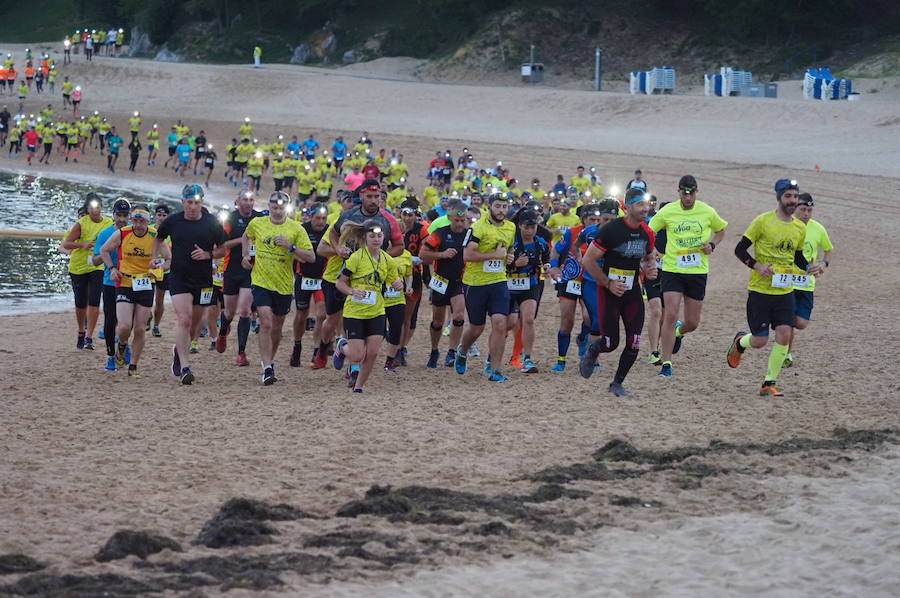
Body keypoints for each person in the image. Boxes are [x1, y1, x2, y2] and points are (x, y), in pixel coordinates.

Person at [727, 179, 824, 397]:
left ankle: (769, 383)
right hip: (760, 292)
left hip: (785, 292)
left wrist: (810, 267)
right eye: (788, 196)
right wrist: (757, 265)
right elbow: (739, 249)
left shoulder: (799, 227)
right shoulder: (762, 222)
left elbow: (797, 256)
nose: (792, 201)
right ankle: (740, 342)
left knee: (784, 333)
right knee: (760, 341)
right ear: (779, 197)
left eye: (795, 196)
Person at [578, 188, 659, 397]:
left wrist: (650, 268)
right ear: (628, 207)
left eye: (647, 204)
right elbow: (588, 260)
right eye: (640, 205)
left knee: (634, 342)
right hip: (609, 293)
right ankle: (593, 350)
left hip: (632, 292)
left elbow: (650, 256)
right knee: (610, 343)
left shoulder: (647, 232)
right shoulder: (611, 230)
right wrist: (607, 283)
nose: (645, 209)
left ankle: (617, 383)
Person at [648, 175, 727, 377]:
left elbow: (720, 231)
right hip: (673, 269)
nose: (688, 197)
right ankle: (667, 363)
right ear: (679, 192)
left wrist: (712, 245)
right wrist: (652, 250)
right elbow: (649, 230)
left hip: (697, 271)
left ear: (696, 192)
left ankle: (678, 332)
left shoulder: (707, 211)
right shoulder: (668, 211)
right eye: (685, 193)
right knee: (671, 314)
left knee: (692, 322)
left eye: (691, 193)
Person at [153, 184, 227, 384]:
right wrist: (154, 258)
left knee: (194, 327)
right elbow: (157, 239)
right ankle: (185, 368)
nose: (193, 207)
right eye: (189, 202)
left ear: (201, 202)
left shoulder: (211, 223)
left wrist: (208, 254)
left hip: (203, 280)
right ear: (182, 202)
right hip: (179, 277)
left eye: (196, 203)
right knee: (184, 319)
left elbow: (223, 249)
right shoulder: (172, 221)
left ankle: (178, 350)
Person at [242, 191, 315, 384]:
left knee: (277, 326)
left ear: (287, 208)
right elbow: (246, 236)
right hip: (261, 280)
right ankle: (266, 367)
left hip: (283, 285)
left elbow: (311, 256)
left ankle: (270, 361)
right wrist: (246, 255)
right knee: (265, 322)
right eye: (274, 207)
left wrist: (291, 247)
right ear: (269, 207)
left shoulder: (296, 229)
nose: (277, 211)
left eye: (281, 208)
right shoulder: (257, 223)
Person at [332, 221, 403, 392]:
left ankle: (359, 386)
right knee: (357, 355)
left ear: (384, 237)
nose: (376, 239)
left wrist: (399, 284)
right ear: (365, 237)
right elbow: (340, 283)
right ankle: (342, 347)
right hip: (355, 312)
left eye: (379, 236)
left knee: (372, 353)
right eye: (372, 236)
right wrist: (351, 291)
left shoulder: (388, 260)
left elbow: (393, 280)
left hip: (377, 311)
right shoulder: (356, 258)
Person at [454, 193, 517, 382]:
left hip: (498, 281)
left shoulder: (511, 227)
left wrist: (509, 257)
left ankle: (495, 369)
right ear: (489, 206)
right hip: (476, 283)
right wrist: (495, 255)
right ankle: (463, 350)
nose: (501, 210)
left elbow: (509, 248)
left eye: (505, 207)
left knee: (500, 323)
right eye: (498, 206)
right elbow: (467, 255)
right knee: (476, 328)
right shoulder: (478, 227)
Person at [100, 205, 167, 378]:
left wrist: (158, 267)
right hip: (125, 282)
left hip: (145, 283)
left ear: (148, 221)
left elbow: (169, 259)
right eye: (135, 220)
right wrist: (112, 268)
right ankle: (122, 344)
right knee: (124, 326)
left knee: (139, 328)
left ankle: (133, 366)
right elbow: (104, 250)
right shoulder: (123, 233)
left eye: (142, 221)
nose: (138, 225)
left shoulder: (155, 236)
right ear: (131, 220)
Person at [547, 204, 603, 371]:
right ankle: (561, 360)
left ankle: (585, 343)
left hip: (590, 282)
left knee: (591, 318)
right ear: (583, 219)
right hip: (570, 280)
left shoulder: (603, 234)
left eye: (598, 219)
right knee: (567, 321)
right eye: (591, 219)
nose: (595, 222)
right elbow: (556, 252)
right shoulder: (572, 233)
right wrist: (555, 267)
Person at [785, 192, 833, 367]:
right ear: (795, 207)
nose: (806, 213)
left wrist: (823, 264)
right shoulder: (786, 226)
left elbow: (828, 249)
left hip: (806, 284)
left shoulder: (818, 229)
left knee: (801, 323)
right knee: (787, 321)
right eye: (803, 209)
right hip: (786, 282)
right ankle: (785, 355)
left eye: (810, 210)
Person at [420, 199, 469, 368]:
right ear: (449, 217)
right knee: (438, 322)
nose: (460, 224)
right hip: (440, 280)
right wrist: (442, 254)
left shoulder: (469, 235)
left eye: (463, 221)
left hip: (460, 282)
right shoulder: (440, 233)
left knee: (459, 316)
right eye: (457, 220)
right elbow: (423, 254)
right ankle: (434, 350)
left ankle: (452, 351)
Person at [215, 189, 262, 365]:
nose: (248, 203)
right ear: (237, 202)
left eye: (251, 200)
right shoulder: (230, 220)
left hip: (251, 271)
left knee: (245, 311)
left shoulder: (259, 219)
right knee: (228, 311)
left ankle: (241, 353)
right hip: (231, 269)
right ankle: (222, 332)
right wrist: (244, 239)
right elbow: (222, 244)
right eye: (245, 199)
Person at [62, 193, 113, 350]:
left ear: (101, 207)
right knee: (80, 302)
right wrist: (82, 244)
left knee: (94, 301)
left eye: (96, 207)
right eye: (90, 208)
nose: (94, 210)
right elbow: (66, 243)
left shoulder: (108, 223)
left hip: (97, 266)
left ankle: (89, 337)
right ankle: (81, 331)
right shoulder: (81, 224)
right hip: (78, 267)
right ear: (87, 209)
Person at [506, 211, 551, 373]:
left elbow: (546, 256)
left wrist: (547, 266)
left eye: (533, 227)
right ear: (520, 226)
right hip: (509, 284)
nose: (530, 231)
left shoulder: (540, 243)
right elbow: (498, 263)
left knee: (529, 319)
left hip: (530, 284)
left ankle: (528, 358)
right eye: (526, 227)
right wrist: (514, 264)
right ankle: (493, 357)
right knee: (508, 323)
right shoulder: (511, 242)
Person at [91, 199, 132, 369]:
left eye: (125, 215)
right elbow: (94, 261)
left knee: (128, 321)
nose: (122, 219)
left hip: (130, 282)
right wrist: (106, 251)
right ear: (113, 215)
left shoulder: (133, 233)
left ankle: (124, 344)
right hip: (110, 282)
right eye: (119, 215)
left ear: (129, 216)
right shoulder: (105, 234)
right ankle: (110, 355)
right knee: (110, 320)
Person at [290, 203, 329, 367]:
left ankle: (316, 350)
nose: (320, 222)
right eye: (317, 218)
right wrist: (296, 256)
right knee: (301, 315)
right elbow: (290, 250)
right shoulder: (301, 229)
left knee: (321, 315)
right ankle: (297, 345)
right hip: (303, 276)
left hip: (322, 278)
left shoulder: (330, 231)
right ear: (311, 217)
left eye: (324, 218)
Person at [150, 204, 172, 336]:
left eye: (164, 215)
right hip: (149, 269)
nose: (161, 218)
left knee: (159, 300)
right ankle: (147, 316)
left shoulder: (172, 231)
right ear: (155, 215)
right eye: (159, 215)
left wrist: (165, 266)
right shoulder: (149, 229)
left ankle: (156, 325)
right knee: (146, 297)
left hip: (165, 270)